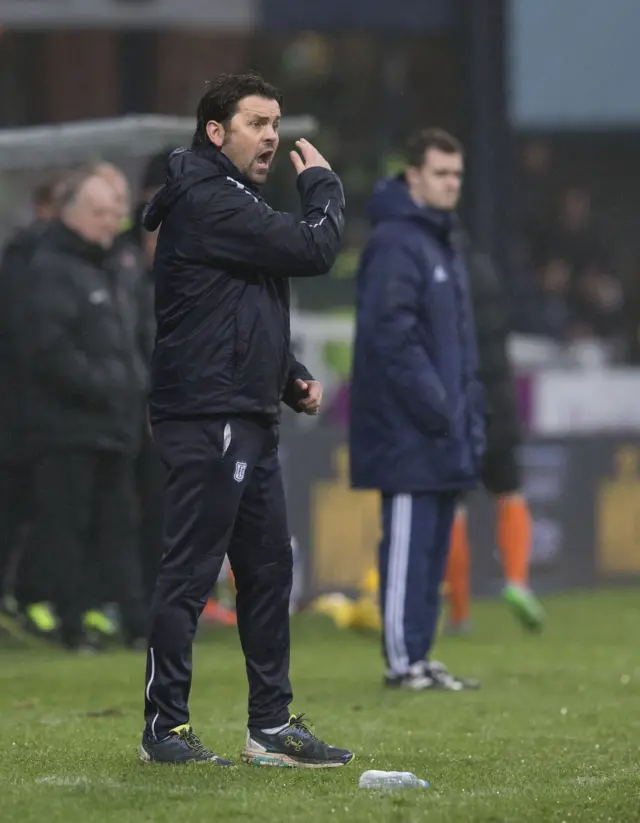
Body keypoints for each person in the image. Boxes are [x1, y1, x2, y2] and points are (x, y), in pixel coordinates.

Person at [139, 72, 353, 767]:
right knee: (191, 573)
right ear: (215, 131)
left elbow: (235, 309)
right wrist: (325, 188)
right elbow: (314, 248)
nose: (272, 136)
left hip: (244, 408)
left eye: (276, 123)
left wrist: (287, 375)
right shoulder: (208, 198)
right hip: (208, 412)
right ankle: (164, 729)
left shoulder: (229, 200)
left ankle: (270, 727)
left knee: (266, 569)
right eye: (258, 123)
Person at [349, 128, 485, 691]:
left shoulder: (440, 241)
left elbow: (459, 345)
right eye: (441, 174)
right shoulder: (398, 242)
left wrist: (465, 414)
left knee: (431, 549)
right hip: (407, 429)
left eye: (457, 175)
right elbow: (391, 336)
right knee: (407, 545)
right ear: (414, 176)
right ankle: (402, 661)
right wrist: (437, 405)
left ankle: (421, 656)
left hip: (441, 427)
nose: (451, 184)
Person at [19, 172, 149, 651]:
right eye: (99, 213)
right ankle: (69, 623)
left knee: (117, 528)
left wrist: (134, 390)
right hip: (66, 428)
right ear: (71, 213)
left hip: (113, 427)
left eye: (113, 213)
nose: (109, 222)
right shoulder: (49, 268)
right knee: (66, 529)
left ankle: (130, 621)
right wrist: (105, 386)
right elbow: (49, 350)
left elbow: (128, 341)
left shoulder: (109, 266)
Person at [445, 250, 545, 632]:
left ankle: (458, 614)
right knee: (511, 494)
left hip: (459, 404)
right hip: (500, 401)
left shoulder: (439, 277)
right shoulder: (486, 271)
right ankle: (517, 581)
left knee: (453, 509)